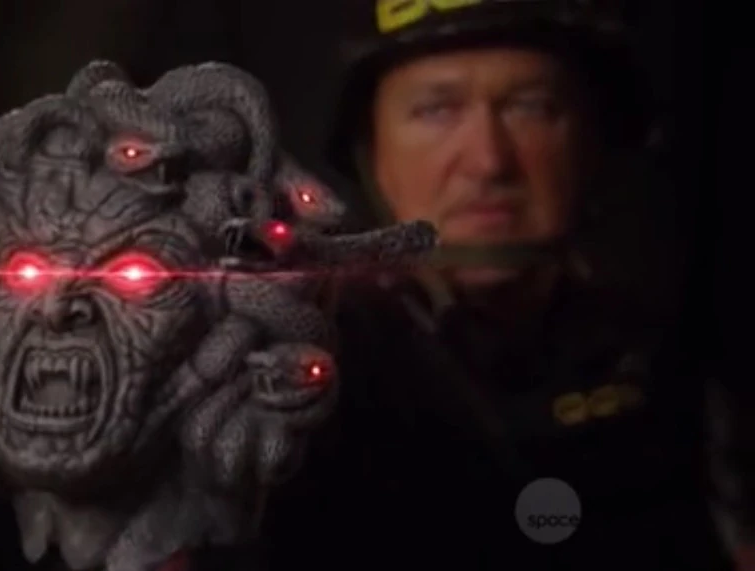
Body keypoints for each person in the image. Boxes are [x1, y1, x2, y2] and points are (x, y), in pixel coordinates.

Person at [259, 0, 740, 569]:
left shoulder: (671, 359)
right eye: (436, 110)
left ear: (591, 142)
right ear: (372, 153)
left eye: (530, 106)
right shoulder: (296, 383)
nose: (489, 162)